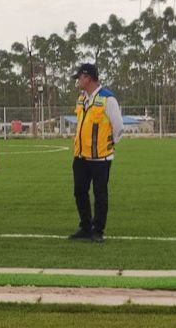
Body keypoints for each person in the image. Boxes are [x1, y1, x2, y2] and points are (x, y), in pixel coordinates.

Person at [68, 63, 124, 243]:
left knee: (100, 194)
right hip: (80, 156)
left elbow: (119, 127)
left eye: (79, 78)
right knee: (79, 191)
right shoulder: (81, 98)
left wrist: (109, 143)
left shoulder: (108, 99)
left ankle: (97, 230)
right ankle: (85, 227)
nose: (77, 81)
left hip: (100, 157)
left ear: (88, 78)